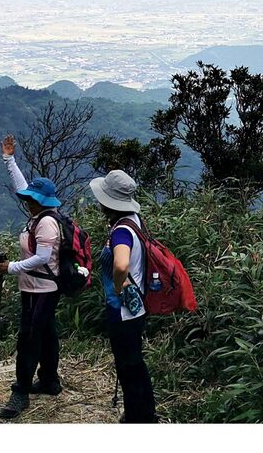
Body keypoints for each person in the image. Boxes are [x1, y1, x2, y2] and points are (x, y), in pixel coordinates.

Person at [0, 134, 64, 419]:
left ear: (42, 200)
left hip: (42, 288)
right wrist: (9, 159)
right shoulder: (39, 214)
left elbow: (43, 258)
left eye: (33, 198)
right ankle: (49, 381)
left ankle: (20, 391)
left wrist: (11, 268)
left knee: (29, 338)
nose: (27, 201)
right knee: (46, 333)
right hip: (36, 288)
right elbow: (22, 188)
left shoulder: (47, 222)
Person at [91, 168, 157, 423]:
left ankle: (136, 419)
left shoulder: (120, 231)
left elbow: (121, 265)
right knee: (135, 363)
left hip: (123, 309)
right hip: (137, 305)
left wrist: (118, 288)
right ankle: (145, 413)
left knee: (128, 366)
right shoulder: (134, 221)